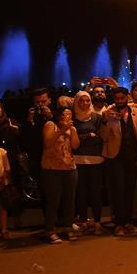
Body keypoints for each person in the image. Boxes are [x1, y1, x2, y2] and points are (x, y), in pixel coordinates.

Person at [100, 87, 137, 236]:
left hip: (133, 156)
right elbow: (103, 137)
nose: (119, 101)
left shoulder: (136, 113)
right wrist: (106, 121)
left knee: (130, 190)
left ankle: (129, 221)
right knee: (119, 190)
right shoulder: (108, 113)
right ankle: (119, 223)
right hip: (115, 157)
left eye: (122, 98)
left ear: (126, 98)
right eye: (116, 99)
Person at [41, 108, 80, 244]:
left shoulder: (72, 128)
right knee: (54, 200)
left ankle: (68, 227)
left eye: (69, 114)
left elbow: (75, 145)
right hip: (52, 168)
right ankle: (50, 230)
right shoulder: (51, 125)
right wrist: (62, 130)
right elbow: (48, 142)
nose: (66, 116)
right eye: (63, 114)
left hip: (70, 167)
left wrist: (72, 130)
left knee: (69, 199)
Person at [72, 91, 105, 232]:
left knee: (96, 192)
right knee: (81, 192)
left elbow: (101, 137)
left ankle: (97, 221)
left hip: (95, 160)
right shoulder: (73, 118)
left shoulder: (96, 118)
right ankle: (84, 220)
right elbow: (73, 141)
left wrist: (82, 138)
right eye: (81, 101)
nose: (85, 103)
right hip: (78, 160)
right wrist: (88, 136)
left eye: (87, 100)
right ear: (76, 102)